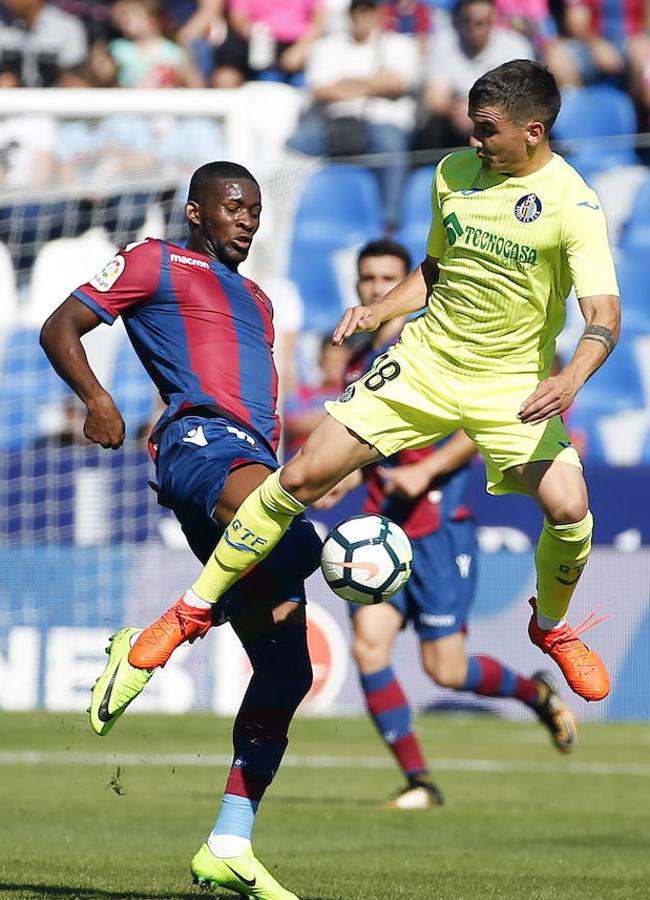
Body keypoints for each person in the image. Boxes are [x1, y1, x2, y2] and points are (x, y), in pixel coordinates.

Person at [117, 60, 620, 712]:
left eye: (486, 130)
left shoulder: (573, 205)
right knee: (299, 478)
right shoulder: (452, 176)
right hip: (423, 366)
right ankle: (188, 612)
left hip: (509, 385)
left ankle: (550, 628)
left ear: (532, 130)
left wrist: (573, 377)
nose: (472, 140)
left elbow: (604, 316)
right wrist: (380, 311)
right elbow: (437, 268)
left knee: (570, 508)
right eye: (471, 126)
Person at [39, 161, 321, 900]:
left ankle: (229, 842)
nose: (249, 220)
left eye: (256, 210)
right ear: (196, 211)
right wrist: (97, 400)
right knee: (303, 536)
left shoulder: (258, 300)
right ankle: (154, 639)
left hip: (253, 462)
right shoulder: (152, 259)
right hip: (201, 447)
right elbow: (59, 324)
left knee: (289, 669)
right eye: (234, 207)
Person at [315, 238, 576, 808]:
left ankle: (533, 694)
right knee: (368, 650)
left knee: (446, 668)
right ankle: (420, 782)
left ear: (406, 281)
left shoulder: (440, 339)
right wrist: (346, 478)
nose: (378, 288)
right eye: (368, 279)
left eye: (389, 276)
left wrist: (428, 469)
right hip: (380, 528)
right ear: (358, 287)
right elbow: (375, 449)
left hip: (438, 527)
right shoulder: (362, 364)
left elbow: (482, 418)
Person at [286, 0, 419, 231]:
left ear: (378, 14)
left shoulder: (399, 44)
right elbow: (320, 90)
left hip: (380, 121)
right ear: (350, 14)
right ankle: (283, 217)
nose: (362, 17)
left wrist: (346, 84)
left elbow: (397, 83)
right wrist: (374, 82)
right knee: (293, 146)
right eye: (358, 11)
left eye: (368, 11)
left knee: (390, 146)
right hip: (333, 122)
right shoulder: (328, 45)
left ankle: (391, 223)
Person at [415, 0, 534, 151]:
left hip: (501, 121)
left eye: (480, 23)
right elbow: (435, 100)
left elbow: (523, 99)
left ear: (493, 21)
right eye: (467, 21)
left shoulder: (515, 46)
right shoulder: (443, 43)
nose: (472, 29)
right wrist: (464, 112)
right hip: (455, 124)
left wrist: (478, 114)